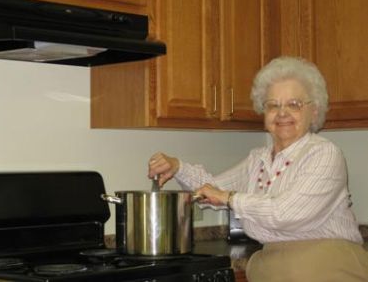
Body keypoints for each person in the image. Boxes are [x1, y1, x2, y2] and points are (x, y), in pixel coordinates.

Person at [147, 56, 368, 282]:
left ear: (314, 111)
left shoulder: (324, 154)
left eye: (294, 104)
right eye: (272, 105)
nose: (282, 113)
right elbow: (212, 190)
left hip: (328, 269)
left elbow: (288, 214)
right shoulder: (258, 160)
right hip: (271, 268)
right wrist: (177, 167)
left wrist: (229, 198)